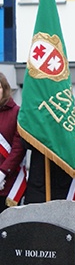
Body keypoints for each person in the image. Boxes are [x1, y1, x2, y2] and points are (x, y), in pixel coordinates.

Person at [0, 73, 26, 210]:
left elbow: (18, 149)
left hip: (8, 181)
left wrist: (2, 173)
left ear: (4, 89)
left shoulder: (16, 112)